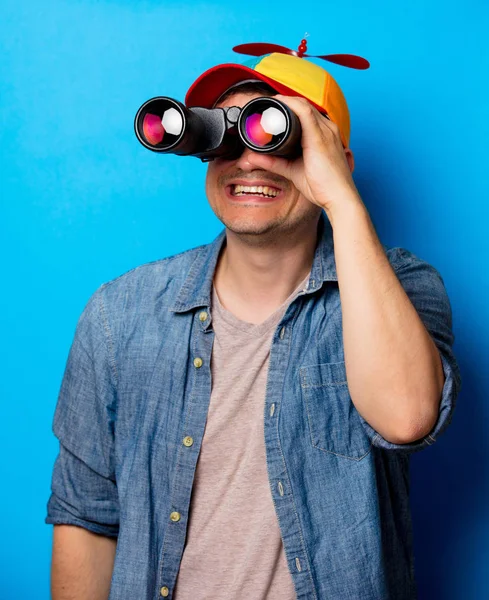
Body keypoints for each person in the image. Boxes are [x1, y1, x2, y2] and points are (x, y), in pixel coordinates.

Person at [45, 49, 462, 600]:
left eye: (274, 134)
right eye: (223, 136)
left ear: (338, 159)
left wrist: (342, 199)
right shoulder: (119, 314)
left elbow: (407, 418)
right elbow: (86, 518)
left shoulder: (404, 289)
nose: (247, 161)